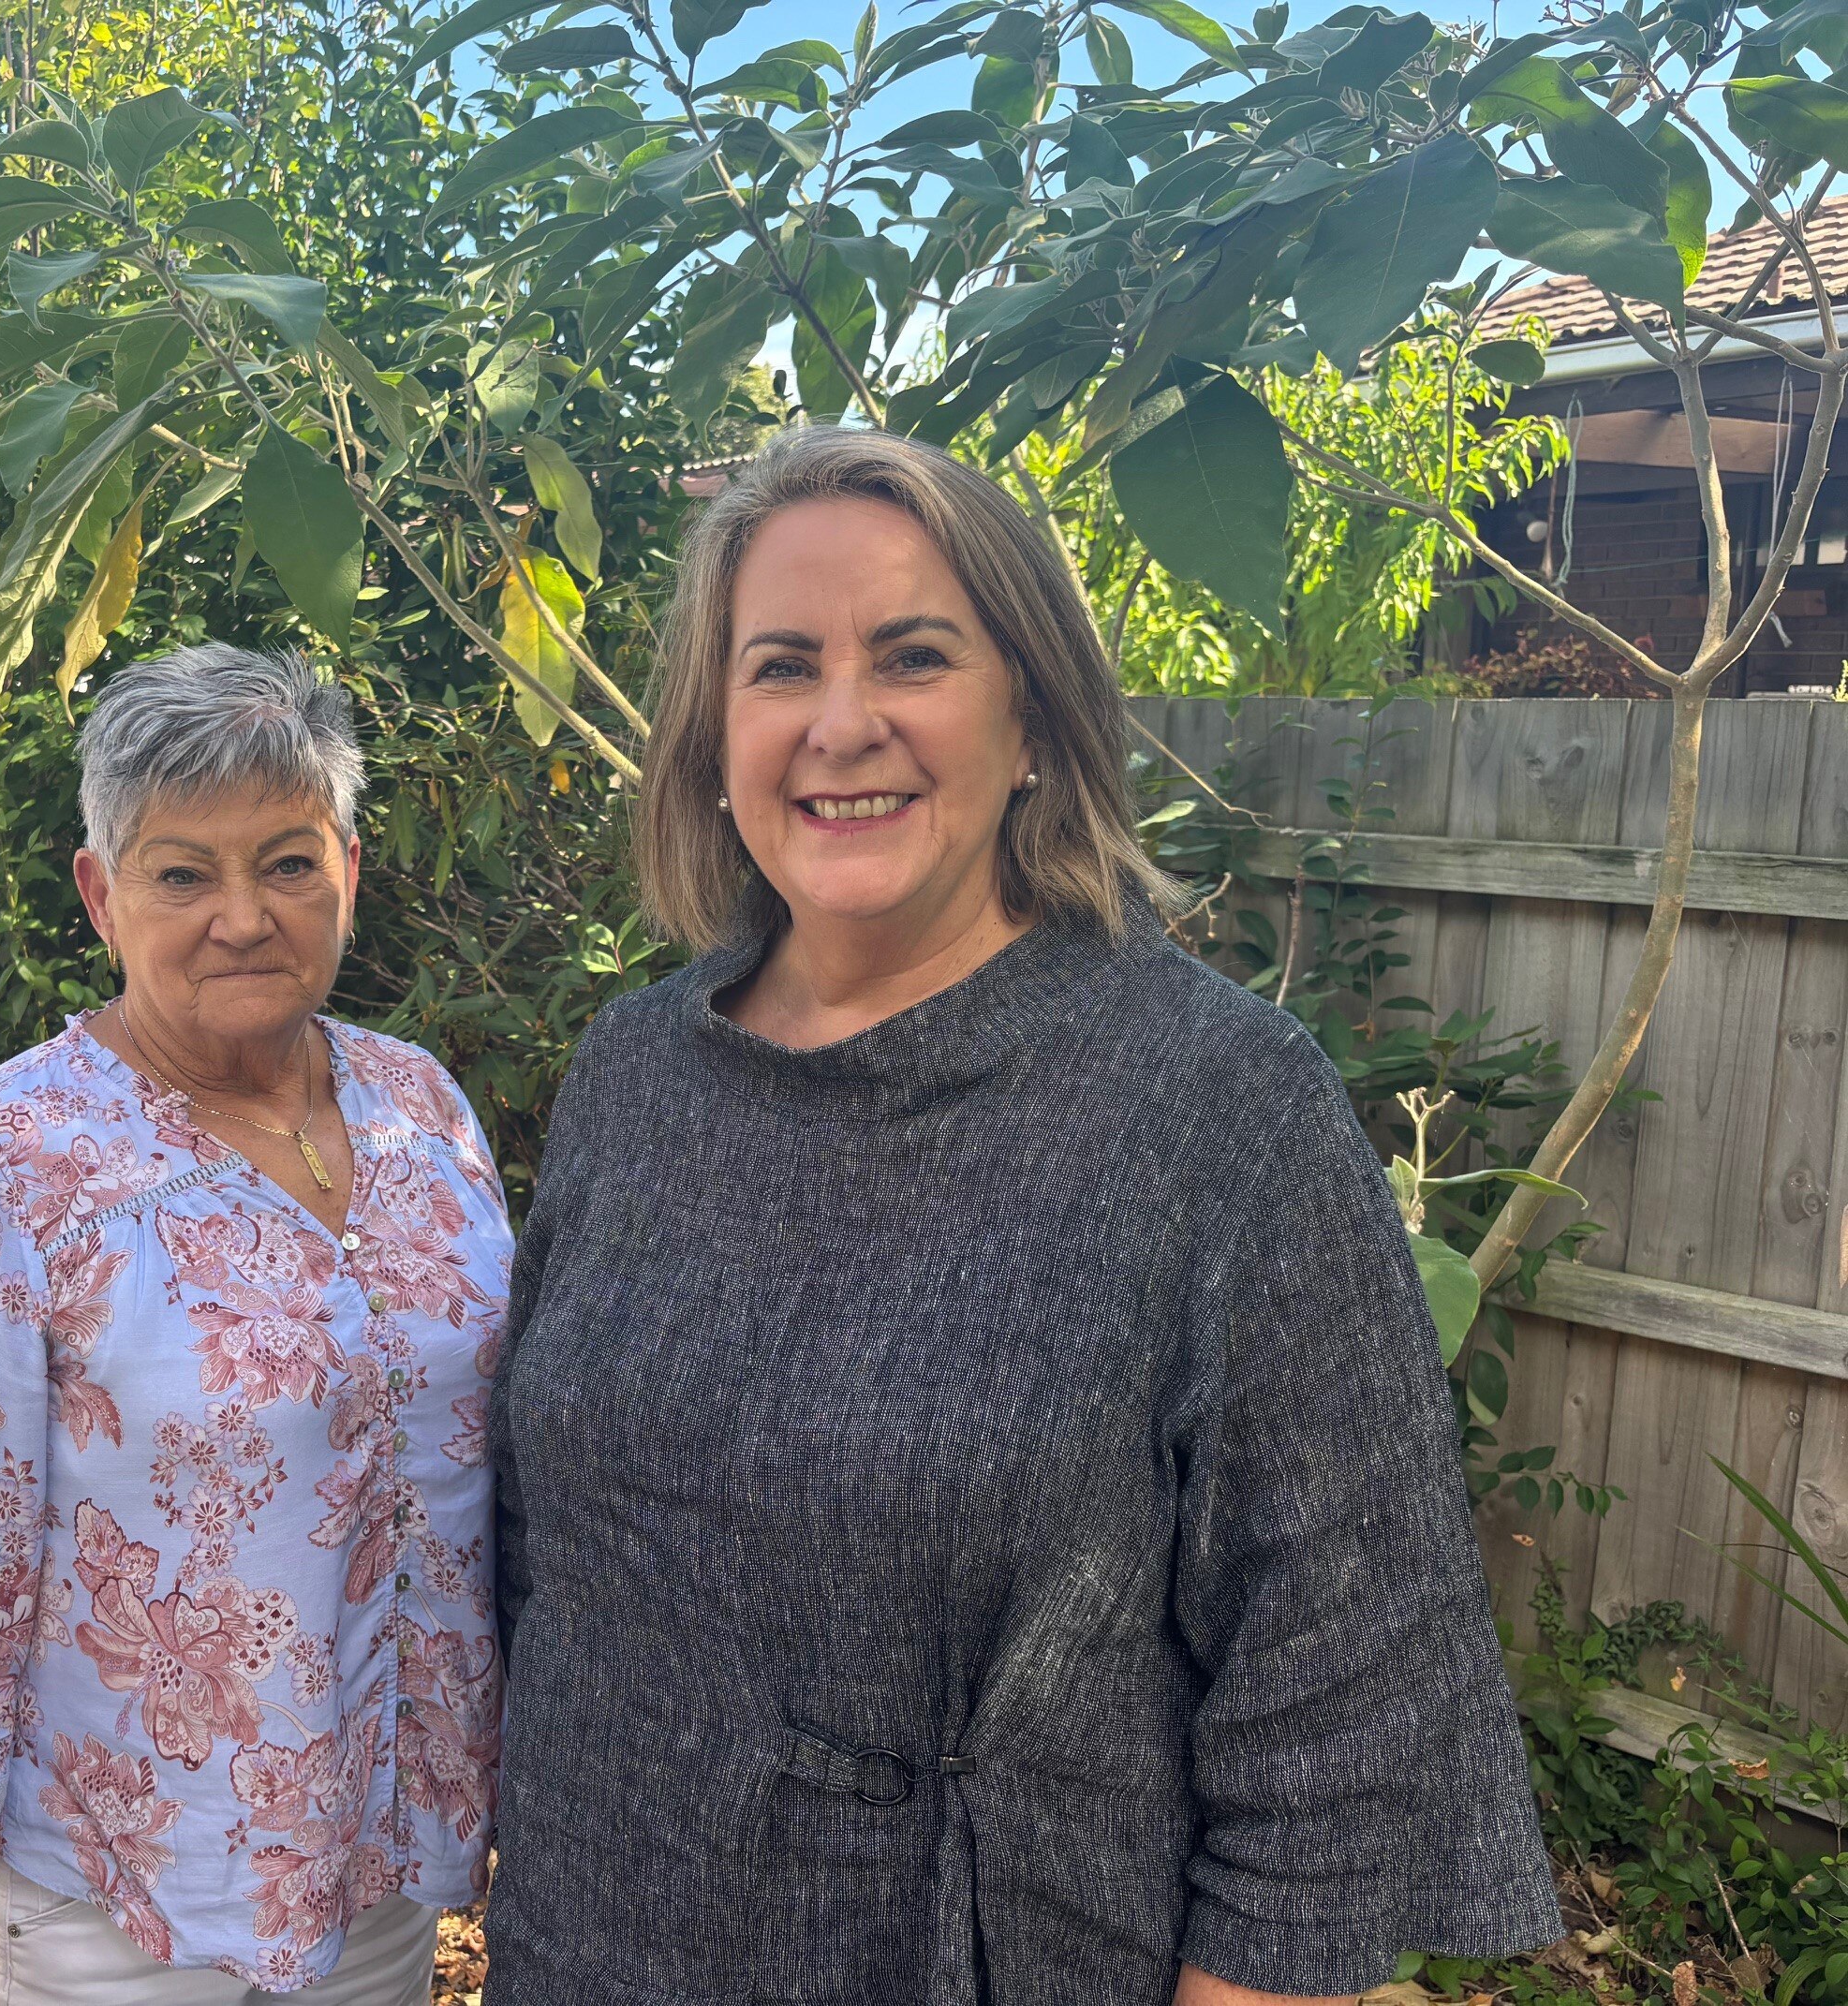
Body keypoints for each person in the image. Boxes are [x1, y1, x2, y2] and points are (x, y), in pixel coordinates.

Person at [484, 426, 1560, 2006]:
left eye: (913, 655)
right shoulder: (636, 1075)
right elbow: (547, 1556)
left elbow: (1338, 1727)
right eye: (781, 667)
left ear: (1036, 718)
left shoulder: (1217, 1106)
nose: (842, 724)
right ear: (716, 736)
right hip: (590, 1935)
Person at [0, 645, 511, 2006]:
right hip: (110, 1925)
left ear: (349, 871)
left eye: (289, 861)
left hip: (379, 1895)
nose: (243, 913)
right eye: (184, 872)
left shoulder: (426, 1115)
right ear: (102, 895)